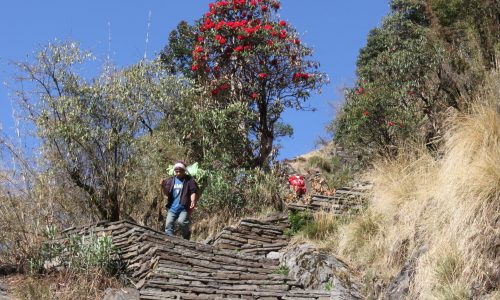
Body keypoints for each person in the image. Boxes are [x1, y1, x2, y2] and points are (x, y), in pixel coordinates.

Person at [158, 161, 198, 240]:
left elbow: (193, 191)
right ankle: (170, 241)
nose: (178, 173)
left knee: (182, 222)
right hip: (172, 208)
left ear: (184, 171)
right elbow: (167, 193)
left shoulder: (189, 180)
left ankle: (186, 236)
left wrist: (193, 201)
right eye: (176, 171)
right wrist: (162, 186)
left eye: (180, 171)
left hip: (184, 208)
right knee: (168, 224)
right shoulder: (171, 181)